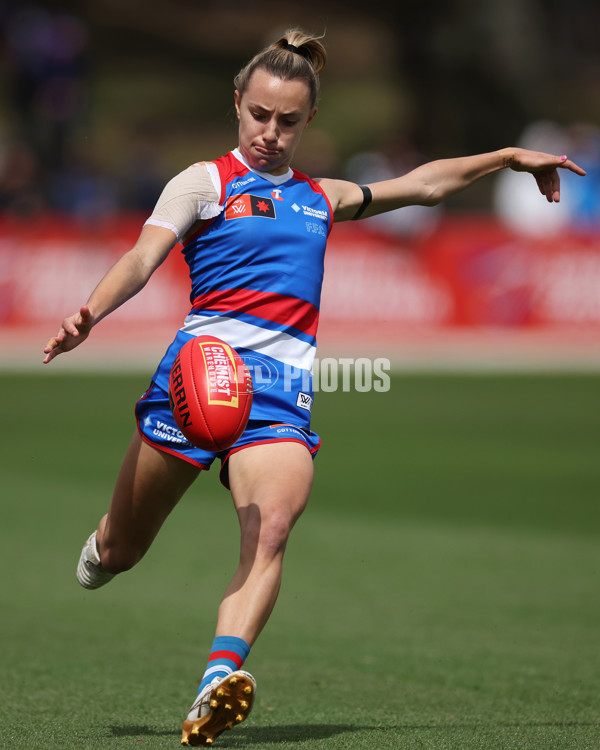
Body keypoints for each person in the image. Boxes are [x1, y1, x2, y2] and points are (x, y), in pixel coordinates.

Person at [43, 28, 586, 748]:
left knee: (268, 529)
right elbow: (145, 256)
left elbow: (424, 184)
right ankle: (107, 547)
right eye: (259, 115)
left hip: (276, 400)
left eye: (288, 121)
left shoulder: (321, 198)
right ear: (238, 104)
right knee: (121, 551)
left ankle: (218, 680)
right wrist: (91, 312)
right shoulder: (204, 183)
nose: (271, 132)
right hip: (194, 384)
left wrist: (509, 157)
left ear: (309, 122)